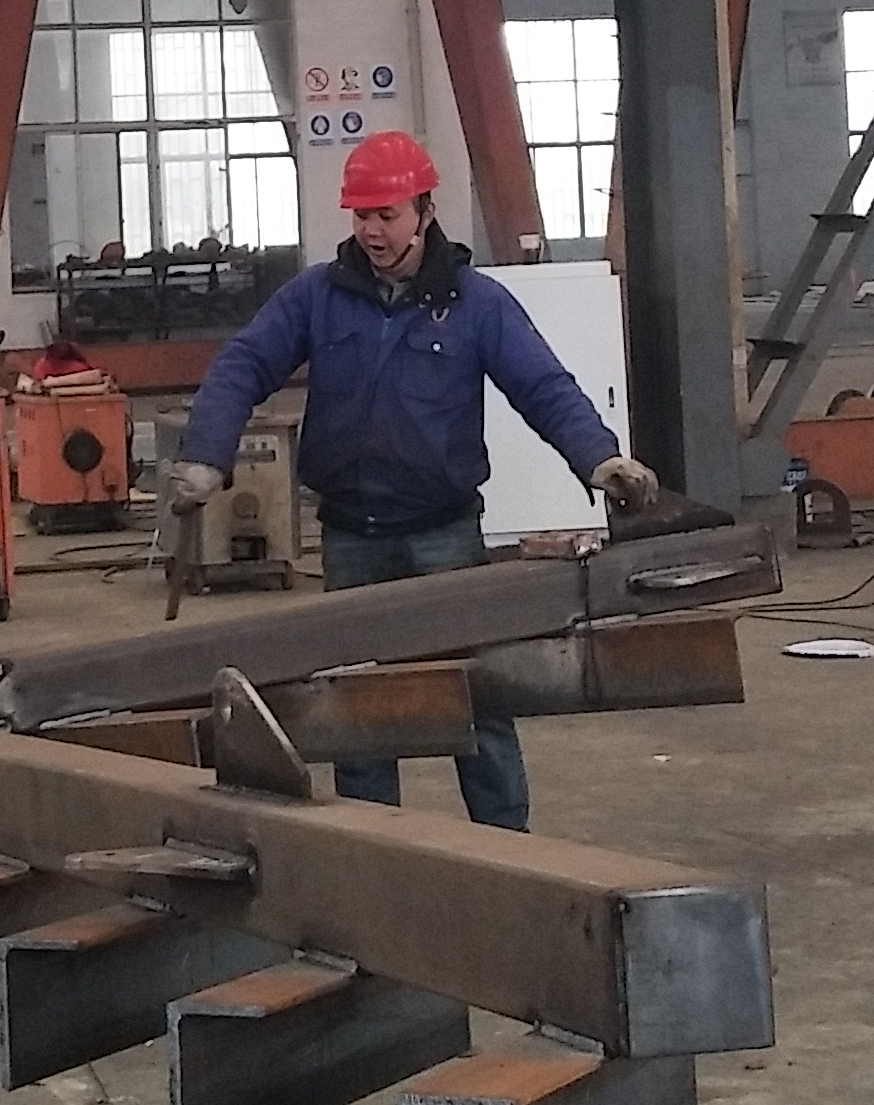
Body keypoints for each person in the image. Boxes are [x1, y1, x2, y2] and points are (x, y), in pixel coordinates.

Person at [168, 130, 661, 830]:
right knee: (358, 709)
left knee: (477, 698)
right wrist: (206, 455)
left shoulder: (476, 304)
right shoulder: (318, 297)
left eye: (387, 215)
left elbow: (543, 387)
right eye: (362, 215)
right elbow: (244, 364)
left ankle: (505, 847)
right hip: (351, 537)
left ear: (426, 211)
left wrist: (600, 459)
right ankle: (377, 847)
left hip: (444, 538)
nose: (372, 231)